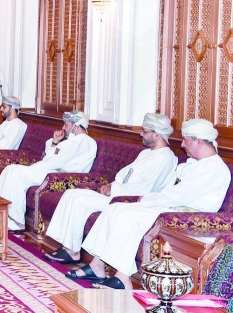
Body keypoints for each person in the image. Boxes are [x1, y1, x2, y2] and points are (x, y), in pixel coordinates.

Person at [69, 119, 231, 290]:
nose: (182, 144)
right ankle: (97, 265)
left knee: (127, 215)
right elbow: (171, 193)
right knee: (114, 208)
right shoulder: (197, 164)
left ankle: (123, 278)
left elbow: (178, 196)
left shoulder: (214, 168)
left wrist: (147, 199)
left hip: (188, 219)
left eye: (186, 140)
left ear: (198, 141)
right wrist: (149, 199)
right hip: (169, 209)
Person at [43, 113, 178, 264]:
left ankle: (73, 253)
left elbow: (146, 188)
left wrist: (113, 190)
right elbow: (126, 175)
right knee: (72, 194)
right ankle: (69, 247)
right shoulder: (146, 153)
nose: (141, 134)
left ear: (157, 134)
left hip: (127, 200)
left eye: (144, 131)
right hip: (116, 192)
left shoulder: (165, 157)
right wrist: (111, 186)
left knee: (80, 201)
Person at [0, 110, 98, 231]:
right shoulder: (72, 141)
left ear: (76, 126)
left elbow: (58, 160)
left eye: (66, 125)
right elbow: (54, 156)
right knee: (10, 169)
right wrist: (55, 143)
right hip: (50, 169)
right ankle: (0, 214)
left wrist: (47, 157)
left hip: (60, 175)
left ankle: (17, 221)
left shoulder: (84, 141)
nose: (63, 128)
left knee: (17, 173)